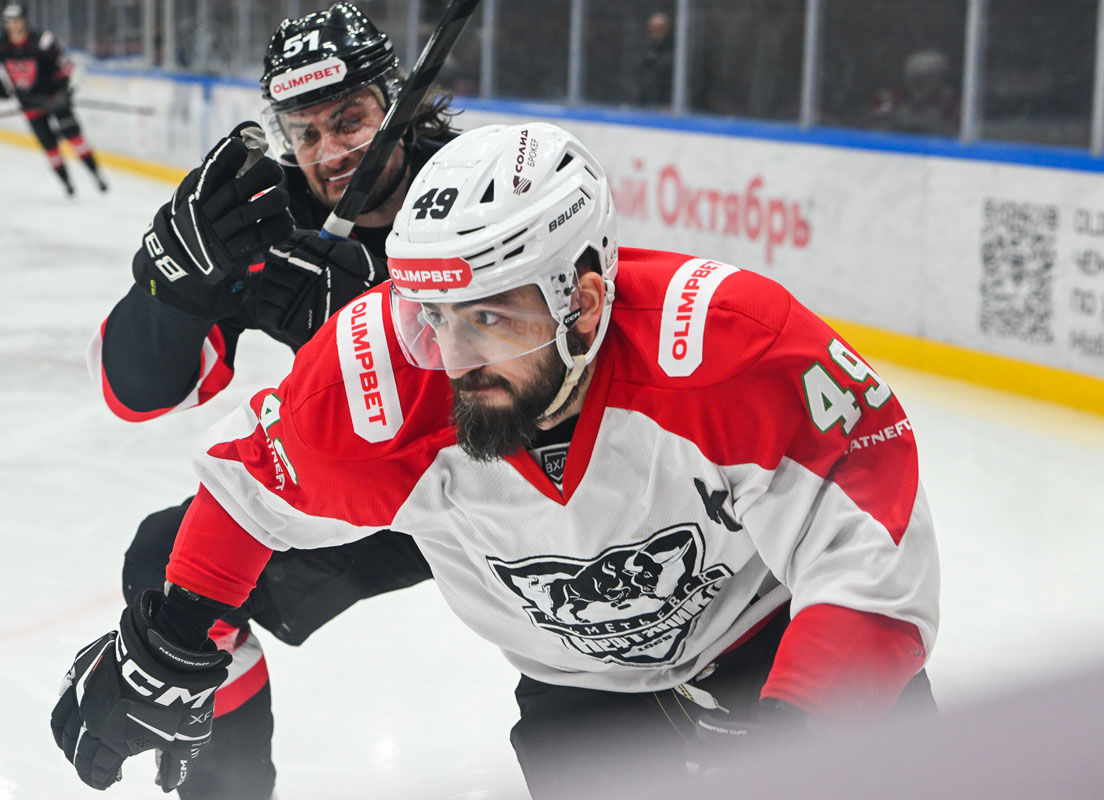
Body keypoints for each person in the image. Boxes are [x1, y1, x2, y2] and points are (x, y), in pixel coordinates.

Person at [51, 121, 940, 798]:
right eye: (435, 315)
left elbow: (869, 562)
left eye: (490, 315)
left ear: (583, 302)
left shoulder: (729, 348)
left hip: (772, 642)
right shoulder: (389, 372)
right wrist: (173, 641)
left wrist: (800, 732)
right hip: (581, 699)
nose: (455, 357)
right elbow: (249, 494)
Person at [81, 3, 455, 798]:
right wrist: (171, 289)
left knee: (571, 703)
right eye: (305, 131)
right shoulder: (278, 217)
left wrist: (375, 322)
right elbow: (133, 394)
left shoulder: (473, 188)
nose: (329, 152)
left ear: (397, 102)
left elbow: (539, 381)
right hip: (378, 497)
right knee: (171, 567)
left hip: (499, 482)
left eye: (349, 120)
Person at [0, 2, 107, 195]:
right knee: (49, 146)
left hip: (54, 98)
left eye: (17, 20)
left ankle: (96, 174)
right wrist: (3, 90)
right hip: (30, 103)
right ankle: (67, 183)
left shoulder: (42, 41)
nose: (13, 25)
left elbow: (65, 65)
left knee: (74, 137)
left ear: (24, 20)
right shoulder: (3, 45)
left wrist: (64, 92)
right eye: (9, 21)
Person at [869, 49, 960, 137]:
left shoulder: (950, 102)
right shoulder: (889, 98)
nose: (921, 83)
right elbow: (874, 134)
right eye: (916, 77)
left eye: (928, 77)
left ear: (940, 79)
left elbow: (956, 136)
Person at [635, 11, 673, 108]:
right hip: (645, 102)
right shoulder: (645, 50)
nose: (656, 32)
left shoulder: (675, 53)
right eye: (653, 28)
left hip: (665, 104)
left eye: (660, 29)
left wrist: (669, 103)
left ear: (667, 30)